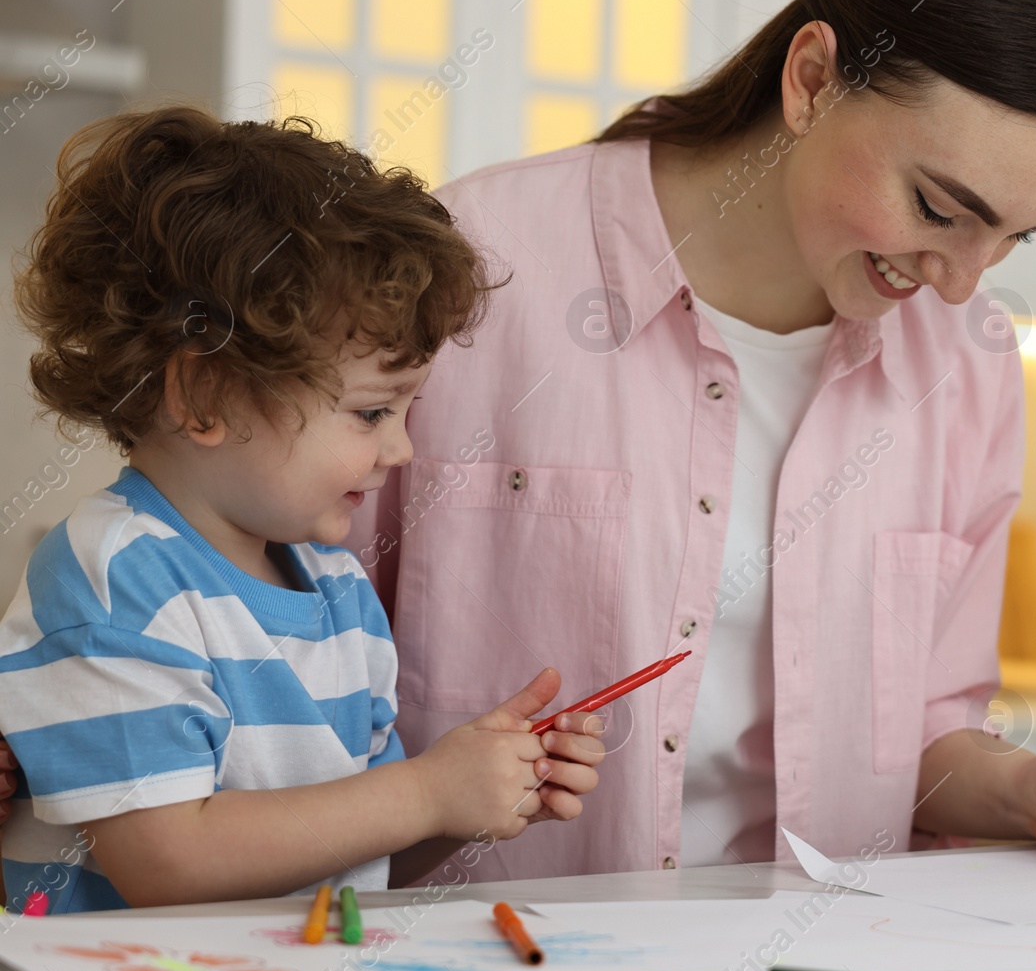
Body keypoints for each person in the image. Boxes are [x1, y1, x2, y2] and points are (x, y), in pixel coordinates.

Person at [345, 0, 1036, 882]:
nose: (962, 285)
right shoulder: (477, 266)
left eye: (1015, 237)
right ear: (813, 79)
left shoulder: (968, 362)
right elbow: (296, 682)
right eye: (940, 210)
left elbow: (928, 740)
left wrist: (1033, 791)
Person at [0, 107, 605, 913]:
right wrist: (426, 792)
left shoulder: (337, 592)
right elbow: (167, 859)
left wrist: (477, 791)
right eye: (370, 413)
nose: (402, 451)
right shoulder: (111, 580)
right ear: (206, 396)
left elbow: (358, 846)